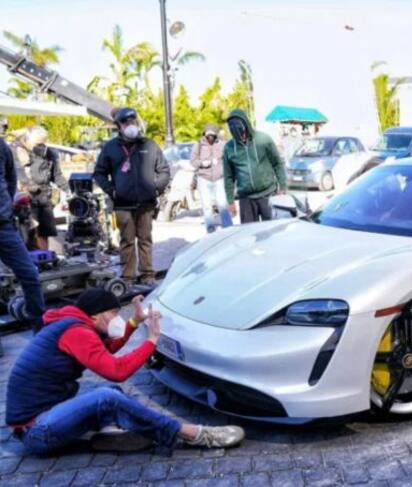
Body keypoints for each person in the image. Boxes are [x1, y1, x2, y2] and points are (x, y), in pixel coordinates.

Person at [5, 289, 245, 455]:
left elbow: (105, 350)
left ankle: (109, 433)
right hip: (37, 431)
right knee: (106, 396)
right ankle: (191, 434)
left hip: (43, 420)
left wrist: (135, 322)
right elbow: (117, 370)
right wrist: (151, 340)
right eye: (114, 313)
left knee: (110, 392)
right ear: (96, 315)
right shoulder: (76, 332)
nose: (117, 318)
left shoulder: (73, 324)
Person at [93, 108, 170, 286]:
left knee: (145, 240)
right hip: (122, 204)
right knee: (127, 241)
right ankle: (128, 277)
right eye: (125, 122)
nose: (130, 125)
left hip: (146, 203)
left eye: (132, 121)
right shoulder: (110, 148)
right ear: (119, 126)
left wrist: (156, 189)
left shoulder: (149, 145)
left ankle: (147, 274)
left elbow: (164, 170)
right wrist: (112, 191)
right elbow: (99, 173)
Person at [0, 120, 45, 333]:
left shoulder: (2, 147)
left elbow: (11, 180)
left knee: (30, 274)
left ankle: (40, 329)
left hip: (3, 225)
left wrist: (5, 206)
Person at [223, 109, 288, 223]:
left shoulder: (263, 140)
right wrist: (230, 201)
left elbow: (277, 163)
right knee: (249, 233)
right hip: (246, 200)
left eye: (240, 129)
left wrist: (282, 186)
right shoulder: (229, 148)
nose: (240, 135)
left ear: (246, 124)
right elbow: (228, 177)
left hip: (268, 195)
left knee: (272, 230)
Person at [12, 126, 70, 250]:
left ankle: (44, 256)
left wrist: (68, 190)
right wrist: (28, 186)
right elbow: (18, 172)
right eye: (38, 144)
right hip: (25, 198)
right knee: (29, 233)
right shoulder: (17, 151)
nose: (41, 147)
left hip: (44, 198)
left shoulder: (49, 154)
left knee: (44, 232)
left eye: (43, 143)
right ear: (28, 141)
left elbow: (57, 175)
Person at [191, 124, 228, 233]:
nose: (210, 138)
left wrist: (221, 166)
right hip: (204, 178)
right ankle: (210, 229)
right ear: (204, 135)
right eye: (208, 135)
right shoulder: (198, 145)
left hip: (219, 178)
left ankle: (228, 227)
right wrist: (202, 163)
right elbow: (193, 161)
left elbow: (227, 159)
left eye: (212, 135)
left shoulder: (221, 145)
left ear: (216, 135)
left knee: (222, 205)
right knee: (207, 206)